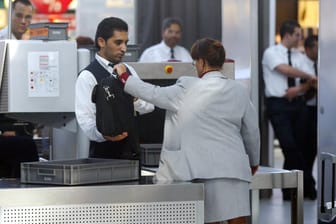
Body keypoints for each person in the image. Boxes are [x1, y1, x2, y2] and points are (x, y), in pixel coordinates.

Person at [114, 38, 260, 224]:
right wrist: (254, 162)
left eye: (195, 62)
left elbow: (153, 93)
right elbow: (252, 132)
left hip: (201, 170)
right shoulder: (239, 90)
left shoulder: (187, 87)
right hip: (234, 169)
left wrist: (125, 78)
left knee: (209, 219)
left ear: (201, 62)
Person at [75, 17, 154, 160]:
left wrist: (133, 97)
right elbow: (86, 121)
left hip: (132, 152)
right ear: (101, 42)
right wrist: (105, 135)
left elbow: (149, 106)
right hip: (103, 157)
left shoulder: (129, 70)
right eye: (118, 42)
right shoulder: (87, 76)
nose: (124, 48)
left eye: (126, 42)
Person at [262, 20, 317, 200]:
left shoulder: (300, 56)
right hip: (278, 105)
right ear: (287, 35)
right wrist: (306, 76)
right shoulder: (271, 53)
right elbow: (284, 69)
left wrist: (298, 89)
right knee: (289, 146)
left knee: (301, 147)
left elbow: (312, 81)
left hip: (298, 104)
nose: (300, 38)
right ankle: (305, 184)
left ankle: (292, 191)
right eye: (297, 35)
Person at [0, 0, 37, 178]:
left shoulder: (21, 45)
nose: (24, 21)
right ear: (10, 15)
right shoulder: (3, 44)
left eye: (28, 17)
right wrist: (4, 126)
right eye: (19, 15)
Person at [301, 34, 319, 197]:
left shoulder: (320, 64)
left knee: (313, 148)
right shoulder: (301, 65)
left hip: (317, 111)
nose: (317, 50)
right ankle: (308, 185)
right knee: (302, 149)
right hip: (303, 110)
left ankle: (308, 184)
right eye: (315, 47)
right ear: (307, 48)